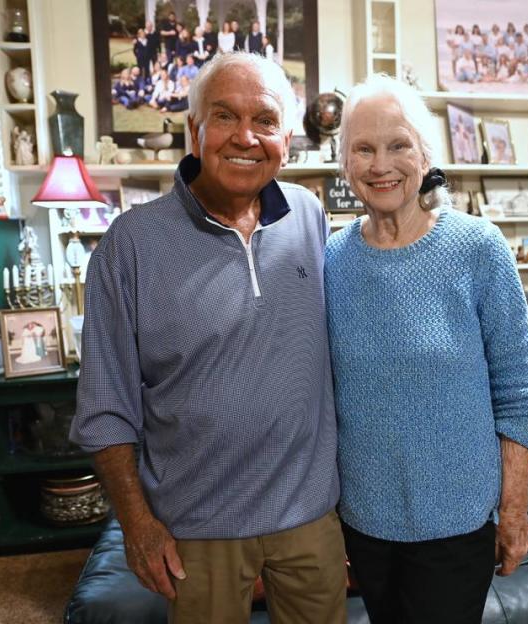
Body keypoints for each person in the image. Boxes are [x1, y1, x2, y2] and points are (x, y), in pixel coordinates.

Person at [71, 52, 347, 623]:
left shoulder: (309, 217)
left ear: (287, 139)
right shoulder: (130, 244)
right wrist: (138, 525)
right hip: (196, 531)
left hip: (310, 518)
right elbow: (104, 408)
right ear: (194, 131)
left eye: (265, 121)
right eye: (224, 117)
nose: (245, 137)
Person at [325, 74, 528, 623]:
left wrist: (513, 512)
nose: (381, 165)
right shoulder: (330, 260)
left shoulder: (478, 248)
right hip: (364, 524)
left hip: (458, 527)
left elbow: (519, 392)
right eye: (364, 148)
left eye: (399, 145)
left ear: (425, 153)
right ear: (345, 163)